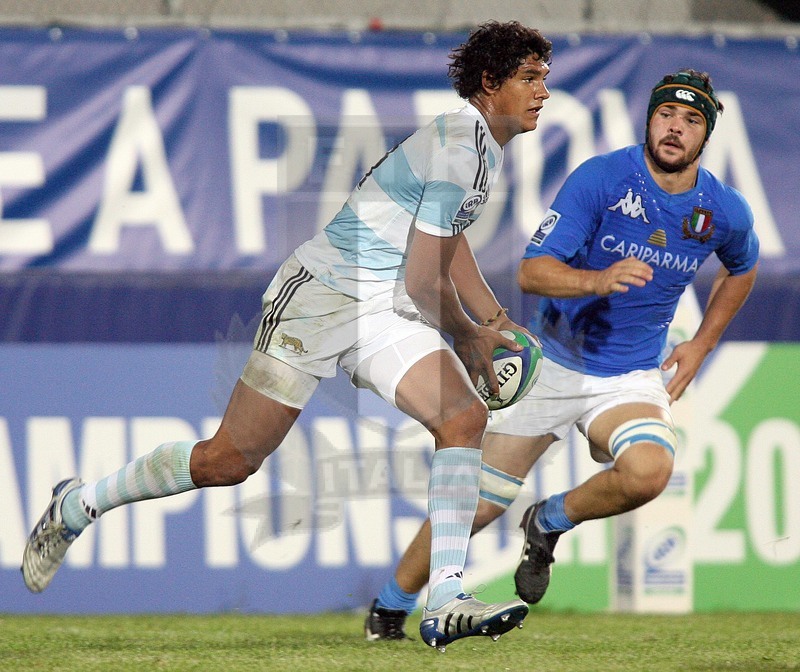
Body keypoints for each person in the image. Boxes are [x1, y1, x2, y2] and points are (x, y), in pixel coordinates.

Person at [22, 21, 553, 651]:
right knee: (229, 461)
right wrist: (469, 336)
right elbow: (423, 278)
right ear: (489, 84)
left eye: (544, 77)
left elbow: (446, 237)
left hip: (381, 308)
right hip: (322, 298)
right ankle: (79, 504)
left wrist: (493, 321)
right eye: (529, 77)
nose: (543, 90)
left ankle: (443, 599)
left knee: (463, 420)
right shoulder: (461, 144)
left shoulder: (479, 144)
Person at [364, 69, 759, 640]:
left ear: (706, 135)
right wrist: (597, 282)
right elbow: (531, 271)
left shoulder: (722, 210)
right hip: (549, 366)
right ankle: (389, 608)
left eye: (692, 120)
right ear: (649, 119)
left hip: (628, 376)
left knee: (650, 472)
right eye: (666, 115)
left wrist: (701, 345)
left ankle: (549, 520)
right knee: (476, 508)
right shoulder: (601, 179)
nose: (675, 128)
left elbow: (742, 268)